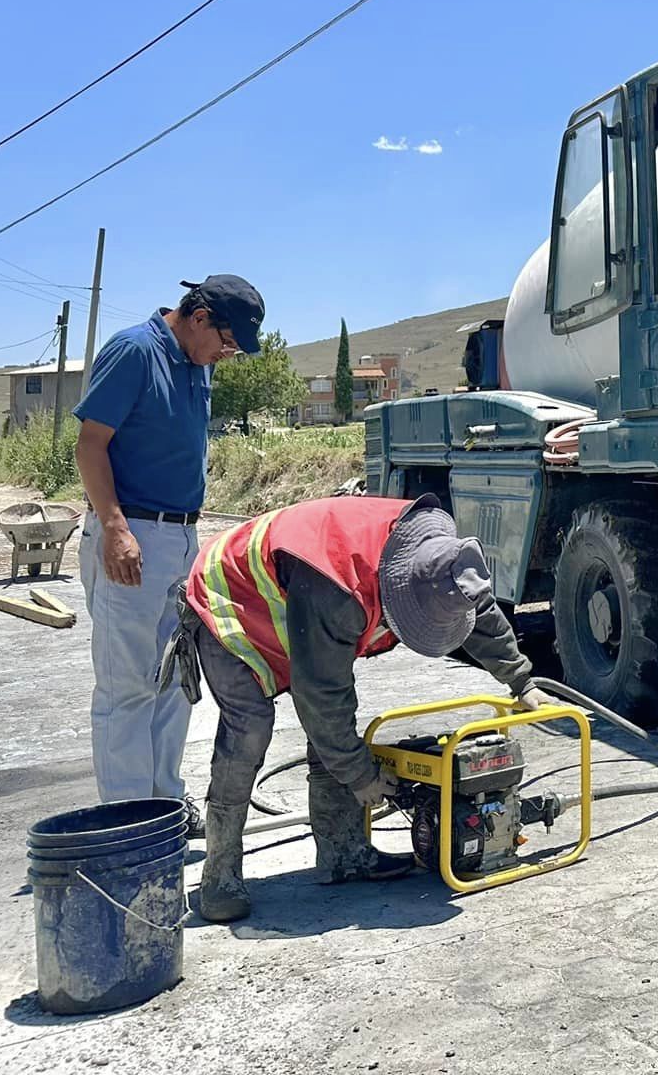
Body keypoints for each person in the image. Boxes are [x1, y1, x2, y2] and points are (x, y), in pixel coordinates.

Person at [158, 493, 556, 922]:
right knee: (249, 730)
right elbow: (321, 695)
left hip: (297, 596)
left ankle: (343, 854)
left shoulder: (442, 558)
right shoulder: (340, 585)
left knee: (332, 721)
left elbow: (476, 606)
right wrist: (360, 775)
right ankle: (220, 876)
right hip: (230, 597)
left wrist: (522, 680)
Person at [73, 274, 263, 819]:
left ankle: (164, 805)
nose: (226, 356)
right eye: (226, 342)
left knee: (174, 681)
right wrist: (114, 528)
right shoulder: (135, 350)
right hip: (131, 533)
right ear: (199, 317)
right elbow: (91, 445)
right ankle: (129, 821)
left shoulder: (196, 364)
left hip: (180, 538)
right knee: (128, 684)